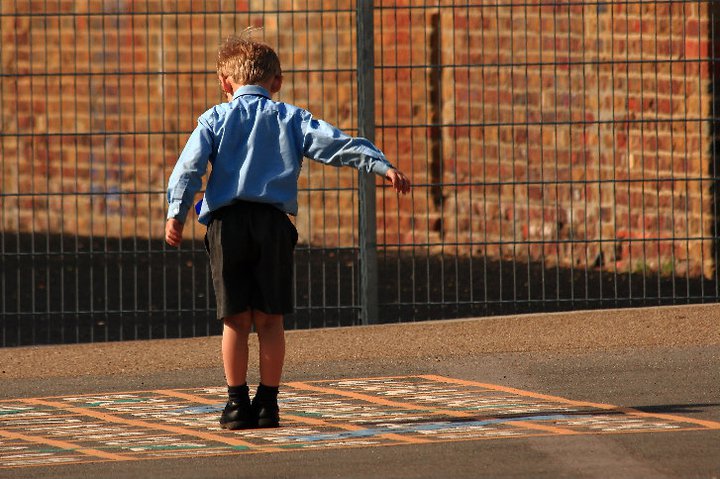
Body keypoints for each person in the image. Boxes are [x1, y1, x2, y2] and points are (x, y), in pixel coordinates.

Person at [164, 28, 411, 430]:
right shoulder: (290, 117)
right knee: (270, 319)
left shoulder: (214, 118)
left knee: (235, 320)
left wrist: (176, 213)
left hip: (227, 226)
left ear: (225, 83)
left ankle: (234, 403)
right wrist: (380, 165)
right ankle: (269, 403)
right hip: (274, 226)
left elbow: (188, 168)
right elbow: (336, 144)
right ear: (276, 82)